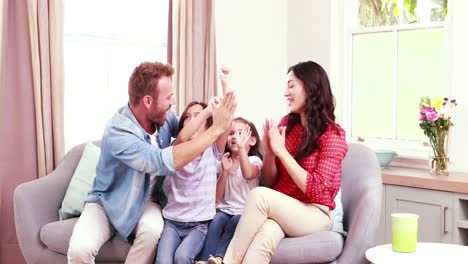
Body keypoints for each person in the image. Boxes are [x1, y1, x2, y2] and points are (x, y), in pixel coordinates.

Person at [67, 61, 236, 264]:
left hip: (148, 202)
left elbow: (185, 133)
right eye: (168, 97)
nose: (173, 102)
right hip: (108, 202)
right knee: (79, 250)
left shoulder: (163, 118)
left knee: (152, 231)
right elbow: (160, 161)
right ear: (148, 101)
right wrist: (216, 128)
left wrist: (214, 114)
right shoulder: (118, 132)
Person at [222, 61, 348, 264]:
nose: (286, 92)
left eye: (291, 85)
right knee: (264, 238)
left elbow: (316, 189)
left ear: (310, 87)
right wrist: (271, 153)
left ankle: (227, 262)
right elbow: (272, 182)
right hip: (286, 208)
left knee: (259, 195)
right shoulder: (286, 125)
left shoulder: (332, 134)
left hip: (315, 214)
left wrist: (281, 151)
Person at [154, 69, 232, 264]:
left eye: (198, 116)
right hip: (172, 222)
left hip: (198, 225)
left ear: (208, 125)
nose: (192, 120)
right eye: (188, 117)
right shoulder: (176, 149)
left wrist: (226, 84)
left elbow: (225, 123)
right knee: (163, 260)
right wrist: (206, 111)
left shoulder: (213, 150)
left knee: (182, 257)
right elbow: (182, 136)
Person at [196, 117, 263, 264]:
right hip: (224, 210)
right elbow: (217, 198)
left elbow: (247, 174)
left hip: (244, 212)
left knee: (235, 222)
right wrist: (224, 172)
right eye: (231, 133)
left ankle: (219, 258)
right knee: (217, 220)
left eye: (240, 133)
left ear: (251, 141)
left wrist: (241, 150)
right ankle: (203, 259)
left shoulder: (254, 161)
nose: (234, 137)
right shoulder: (223, 163)